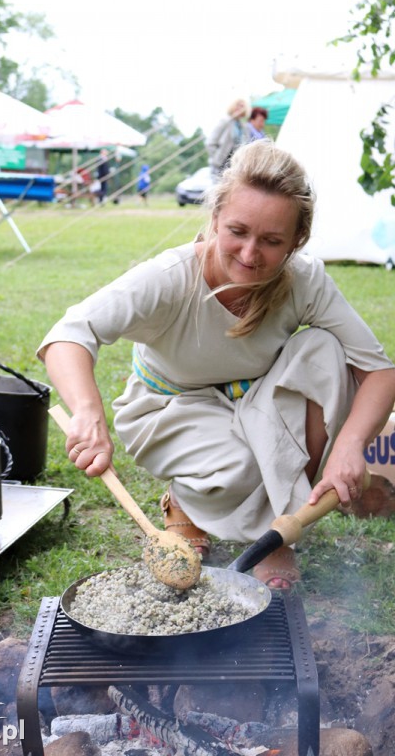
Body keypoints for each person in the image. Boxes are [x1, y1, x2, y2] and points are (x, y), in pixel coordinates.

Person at [37, 139, 395, 590]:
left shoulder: (305, 280)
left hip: (251, 400)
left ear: (296, 241)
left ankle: (277, 532)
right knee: (245, 465)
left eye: (271, 241)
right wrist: (88, 412)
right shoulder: (169, 277)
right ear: (214, 218)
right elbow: (70, 334)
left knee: (325, 351)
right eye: (237, 231)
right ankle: (185, 503)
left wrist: (351, 443)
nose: (249, 255)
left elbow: (378, 370)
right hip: (167, 408)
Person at [206, 99, 249, 182]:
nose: (240, 108)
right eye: (238, 105)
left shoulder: (243, 127)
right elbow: (210, 142)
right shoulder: (225, 121)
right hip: (220, 164)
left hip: (234, 165)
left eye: (242, 106)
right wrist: (216, 158)